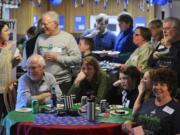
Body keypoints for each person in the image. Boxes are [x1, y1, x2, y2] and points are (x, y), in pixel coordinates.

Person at [34, 11, 81, 94]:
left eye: (45, 24)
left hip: (63, 83)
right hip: (43, 83)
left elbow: (77, 59)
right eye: (42, 24)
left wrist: (57, 58)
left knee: (62, 107)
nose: (42, 26)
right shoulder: (40, 38)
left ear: (55, 24)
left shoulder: (68, 38)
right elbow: (34, 59)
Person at [122, 68, 180, 135]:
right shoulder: (148, 102)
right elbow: (137, 122)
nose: (157, 87)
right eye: (155, 84)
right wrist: (129, 124)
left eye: (162, 85)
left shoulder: (177, 109)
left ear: (170, 88)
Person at [0, 21, 21, 118]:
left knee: (8, 118)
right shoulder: (5, 48)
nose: (9, 32)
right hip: (0, 90)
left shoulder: (8, 46)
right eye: (6, 30)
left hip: (8, 90)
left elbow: (6, 67)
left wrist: (16, 61)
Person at [163, 17, 180, 88]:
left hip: (174, 85)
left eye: (167, 28)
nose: (164, 31)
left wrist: (170, 47)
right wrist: (154, 57)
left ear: (177, 30)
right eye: (163, 29)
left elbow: (178, 65)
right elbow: (150, 62)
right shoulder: (162, 43)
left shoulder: (169, 45)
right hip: (159, 80)